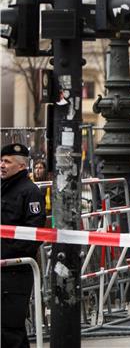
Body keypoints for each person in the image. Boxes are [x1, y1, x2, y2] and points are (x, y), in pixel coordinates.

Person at [1, 143, 46, 348]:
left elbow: (33, 234)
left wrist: (7, 255)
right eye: (1, 160)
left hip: (15, 270)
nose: (2, 165)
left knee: (10, 327)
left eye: (7, 161)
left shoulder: (30, 192)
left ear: (20, 166)